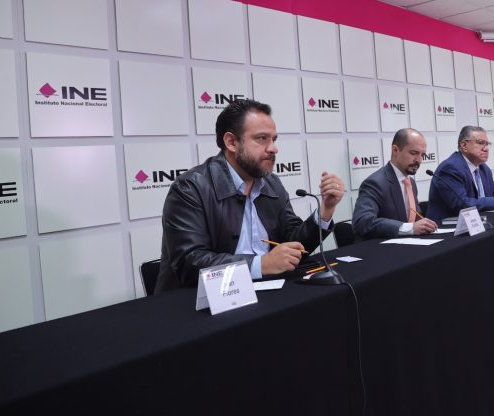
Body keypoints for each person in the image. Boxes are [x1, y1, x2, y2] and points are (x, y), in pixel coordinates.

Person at [155, 99, 345, 292]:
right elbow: (191, 263)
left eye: (274, 139)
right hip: (201, 304)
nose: (273, 148)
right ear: (231, 142)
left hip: (264, 292)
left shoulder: (271, 183)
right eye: (262, 138)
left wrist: (325, 210)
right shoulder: (190, 187)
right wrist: (261, 264)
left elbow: (293, 244)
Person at [426, 125, 494, 223]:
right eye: (480, 143)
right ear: (464, 146)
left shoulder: (483, 169)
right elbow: (462, 204)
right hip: (446, 230)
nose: (486, 149)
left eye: (487, 144)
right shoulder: (450, 168)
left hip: (475, 225)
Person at [352, 128, 438, 239]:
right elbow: (362, 222)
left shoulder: (410, 182)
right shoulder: (375, 183)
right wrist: (409, 228)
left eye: (422, 155)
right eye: (414, 153)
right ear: (395, 150)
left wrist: (425, 225)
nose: (419, 160)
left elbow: (414, 218)